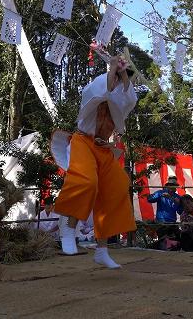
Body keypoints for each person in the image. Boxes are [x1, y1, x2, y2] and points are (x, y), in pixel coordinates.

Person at [52, 55, 138, 268]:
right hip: (83, 142)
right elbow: (104, 90)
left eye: (124, 75)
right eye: (119, 75)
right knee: (86, 181)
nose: (121, 78)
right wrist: (112, 70)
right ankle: (68, 231)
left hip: (102, 148)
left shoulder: (121, 95)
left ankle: (102, 249)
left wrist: (125, 74)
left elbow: (128, 99)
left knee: (117, 187)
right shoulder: (97, 85)